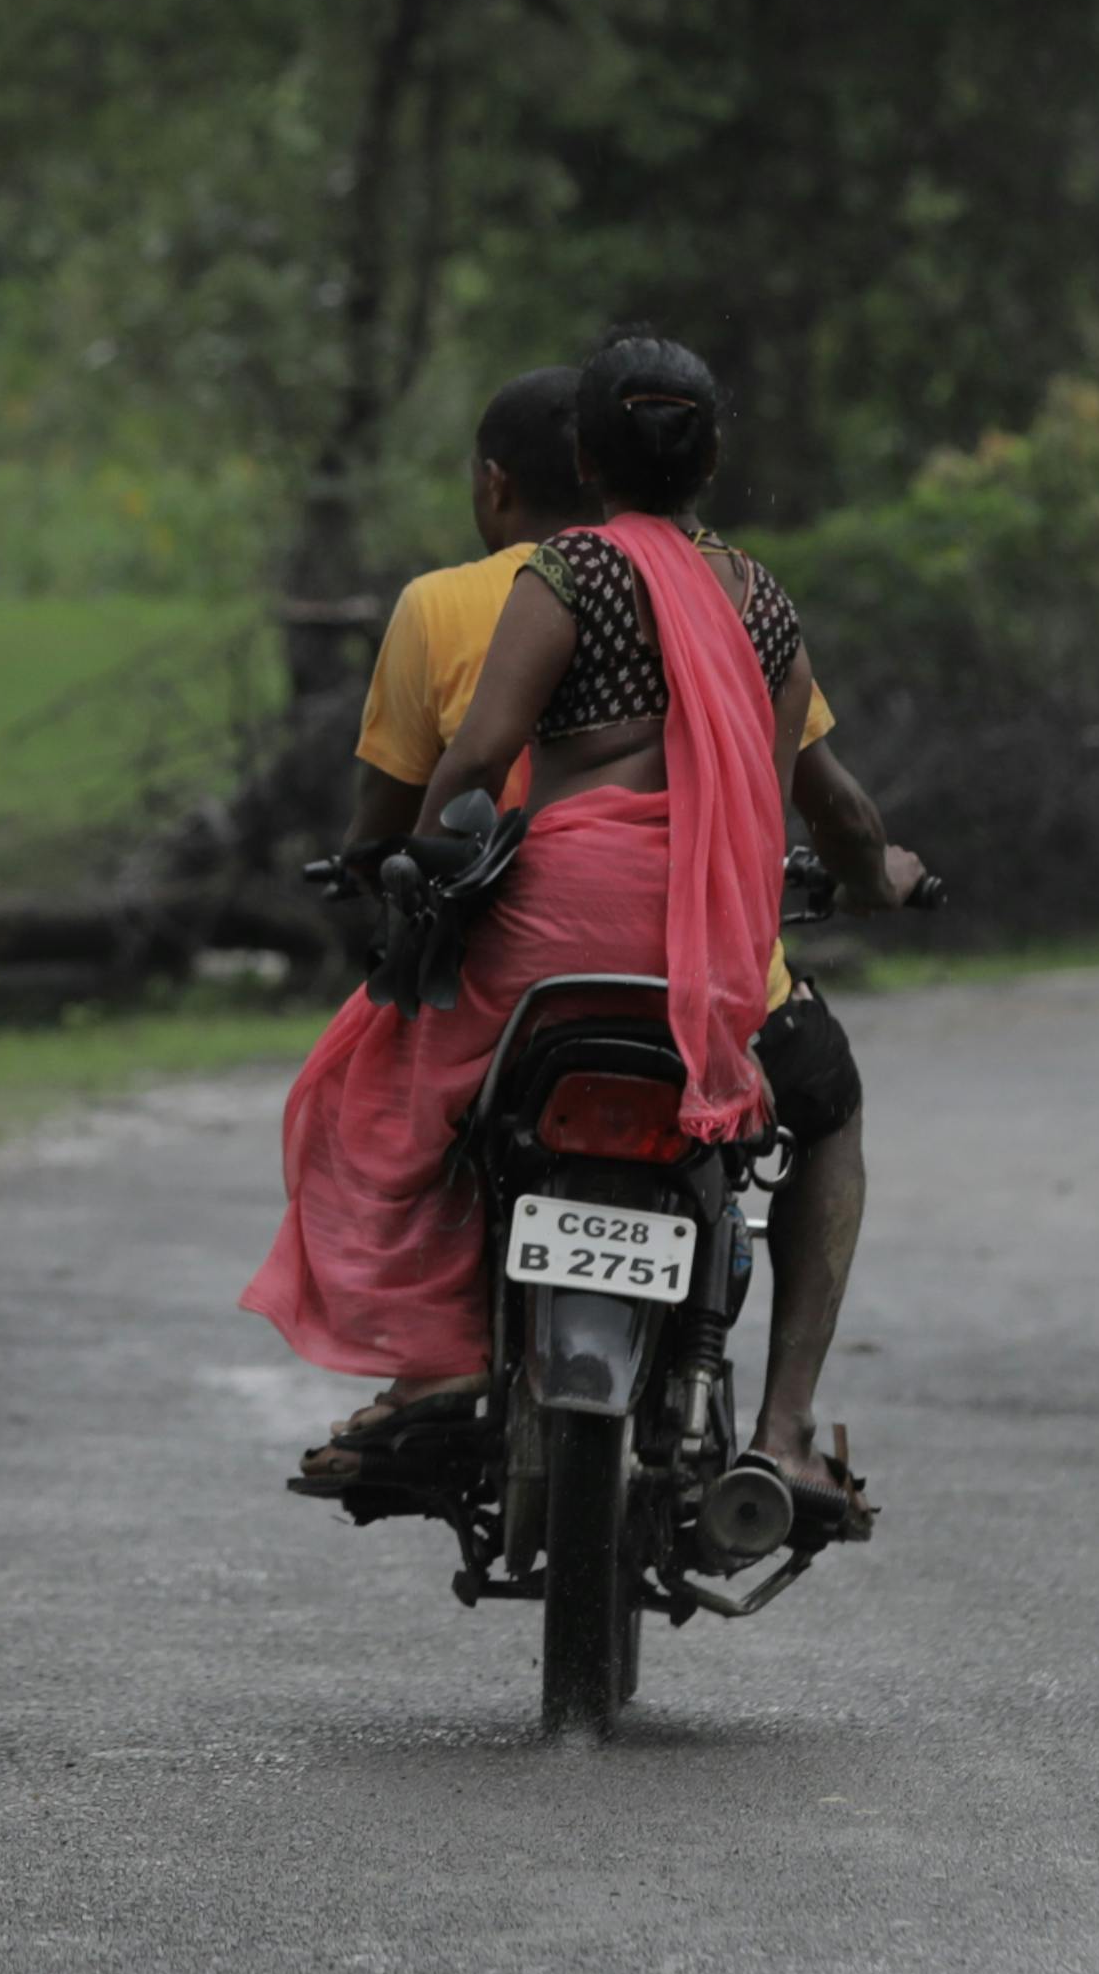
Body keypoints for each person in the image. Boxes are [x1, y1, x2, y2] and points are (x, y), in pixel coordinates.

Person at [251, 334, 922, 1516]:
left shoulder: (564, 578)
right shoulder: (760, 601)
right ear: (712, 455)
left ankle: (445, 1354)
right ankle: (783, 1430)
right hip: (711, 961)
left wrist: (428, 857)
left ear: (583, 453)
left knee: (377, 1086)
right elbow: (810, 806)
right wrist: (881, 872)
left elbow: (475, 759)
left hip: (555, 941)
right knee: (831, 1107)